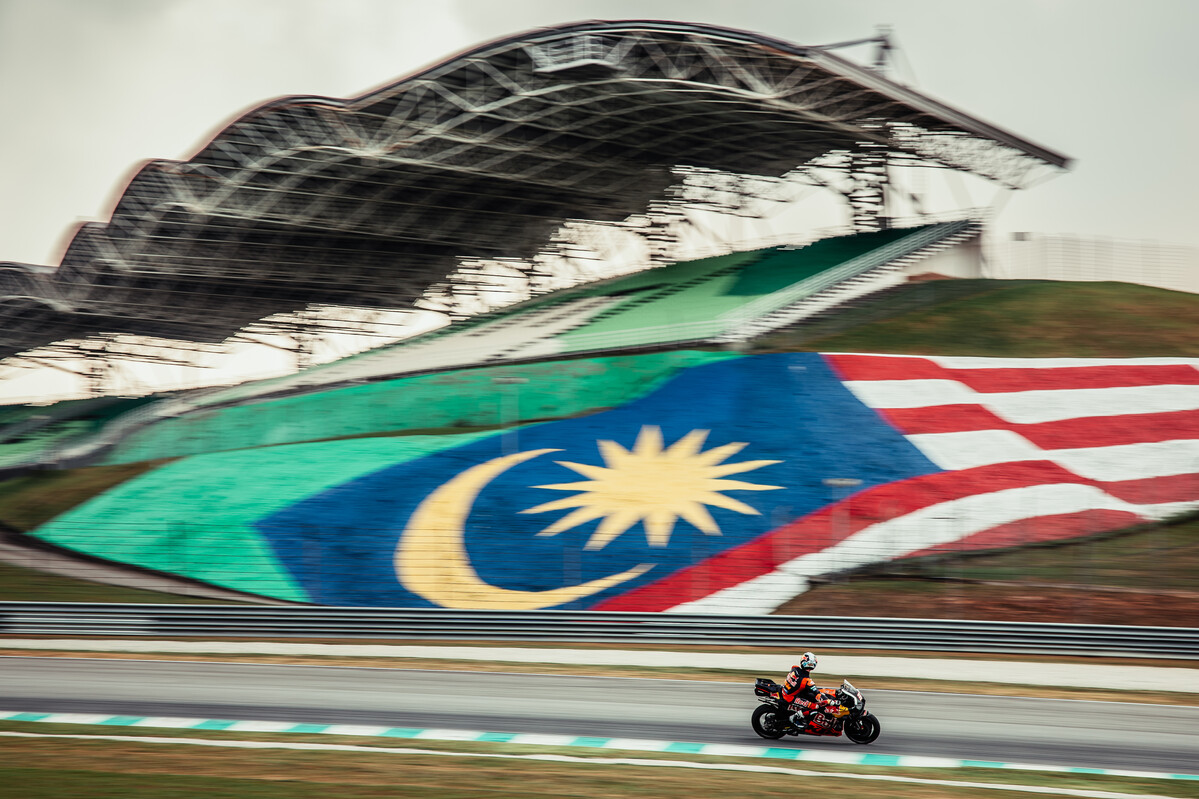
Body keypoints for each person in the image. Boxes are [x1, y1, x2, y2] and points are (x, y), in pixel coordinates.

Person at [775, 652, 837, 730]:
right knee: (815, 706)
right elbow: (817, 693)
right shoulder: (806, 680)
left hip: (787, 690)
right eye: (809, 664)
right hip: (790, 697)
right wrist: (828, 700)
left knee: (810, 697)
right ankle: (794, 718)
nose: (810, 666)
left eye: (811, 664)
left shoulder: (795, 668)